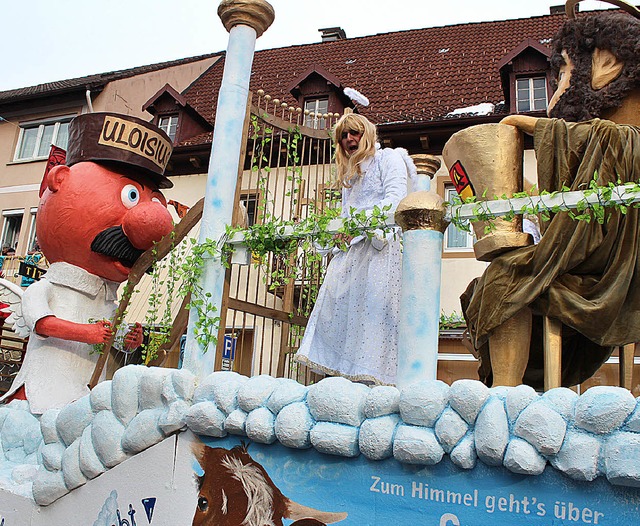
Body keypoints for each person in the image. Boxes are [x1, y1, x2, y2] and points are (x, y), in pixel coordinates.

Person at [461, 9, 640, 388]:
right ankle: (525, 386)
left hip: (612, 266)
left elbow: (606, 139)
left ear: (607, 65)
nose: (557, 88)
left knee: (505, 277)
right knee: (491, 283)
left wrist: (524, 123)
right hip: (600, 259)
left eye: (563, 74)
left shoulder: (625, 135)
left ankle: (505, 395)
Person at [295, 113, 414, 385]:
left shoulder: (390, 158)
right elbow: (346, 213)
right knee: (341, 316)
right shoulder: (351, 172)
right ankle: (345, 384)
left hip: (379, 248)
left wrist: (354, 224)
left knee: (375, 315)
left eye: (355, 133)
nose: (349, 139)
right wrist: (336, 232)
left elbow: (395, 200)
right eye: (344, 136)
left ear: (367, 133)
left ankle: (377, 382)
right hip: (352, 252)